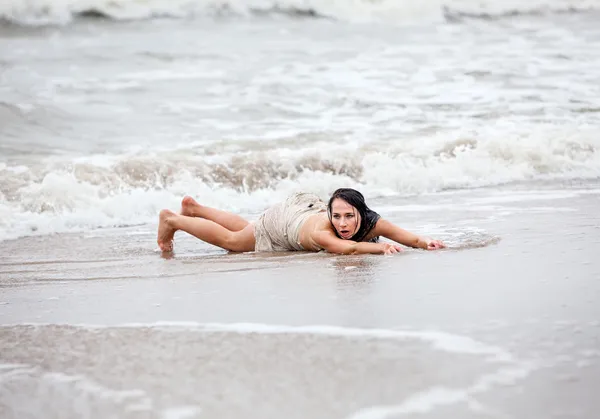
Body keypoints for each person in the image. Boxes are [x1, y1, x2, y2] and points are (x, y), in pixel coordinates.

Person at [157, 188, 445, 255]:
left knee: (249, 228)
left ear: (362, 213)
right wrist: (380, 249)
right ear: (329, 214)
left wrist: (424, 242)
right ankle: (173, 220)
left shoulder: (371, 221)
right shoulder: (324, 231)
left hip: (298, 209)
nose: (343, 224)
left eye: (349, 216)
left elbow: (407, 237)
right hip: (286, 222)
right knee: (234, 242)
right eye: (337, 216)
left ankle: (196, 209)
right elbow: (347, 249)